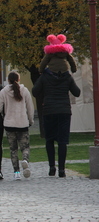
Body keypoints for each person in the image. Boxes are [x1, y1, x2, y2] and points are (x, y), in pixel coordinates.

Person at [33, 44, 81, 178]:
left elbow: (35, 91)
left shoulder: (45, 77)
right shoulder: (68, 77)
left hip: (49, 110)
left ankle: (52, 167)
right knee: (62, 141)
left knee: (49, 140)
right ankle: (62, 170)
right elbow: (77, 93)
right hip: (64, 111)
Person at [0, 71, 35, 180]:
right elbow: (30, 108)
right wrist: (30, 120)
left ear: (8, 80)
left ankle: (16, 172)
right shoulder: (25, 91)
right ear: (19, 79)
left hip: (9, 124)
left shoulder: (3, 92)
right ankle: (25, 160)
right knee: (25, 147)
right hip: (22, 123)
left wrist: (5, 110)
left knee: (13, 149)